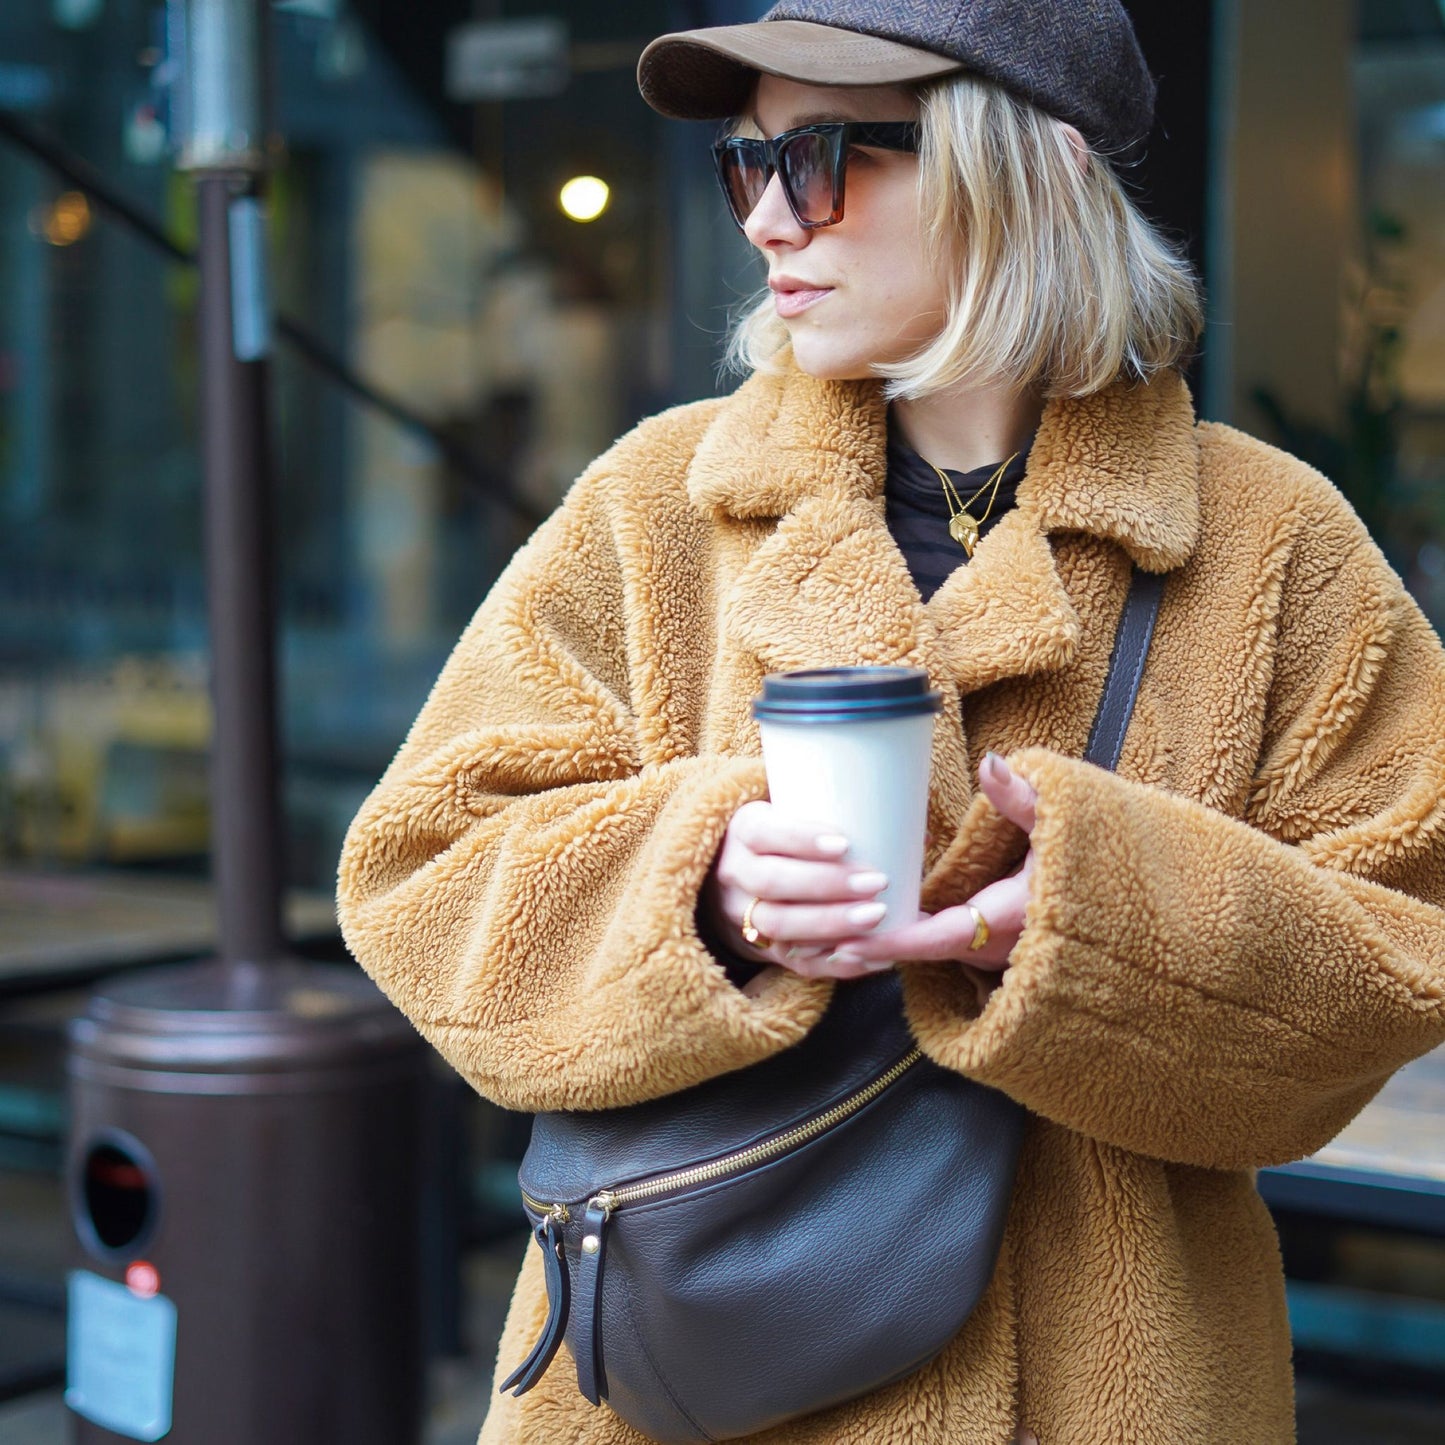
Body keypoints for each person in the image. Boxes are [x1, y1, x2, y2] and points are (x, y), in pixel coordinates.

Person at [337, 3, 1445, 1442]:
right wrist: (701, 883)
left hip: (1113, 1383)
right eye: (746, 168)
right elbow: (419, 871)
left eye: (816, 158)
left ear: (1023, 168)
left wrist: (1102, 915)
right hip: (689, 1382)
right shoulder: (656, 505)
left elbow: (1405, 928)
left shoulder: (1266, 541)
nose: (767, 221)